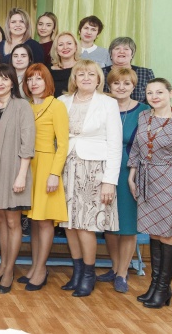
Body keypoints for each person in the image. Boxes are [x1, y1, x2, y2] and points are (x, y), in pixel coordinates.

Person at [128, 78, 172, 309]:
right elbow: (137, 148)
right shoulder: (144, 116)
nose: (154, 97)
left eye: (159, 92)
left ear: (170, 93)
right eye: (150, 93)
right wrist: (132, 175)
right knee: (154, 234)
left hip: (170, 183)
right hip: (147, 182)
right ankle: (157, 286)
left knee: (167, 234)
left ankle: (163, 288)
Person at [58, 59, 122, 297]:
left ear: (98, 79)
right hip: (67, 167)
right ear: (74, 79)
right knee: (69, 224)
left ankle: (88, 274)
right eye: (81, 74)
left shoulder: (108, 103)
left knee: (86, 225)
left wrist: (109, 181)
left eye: (91, 74)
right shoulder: (62, 101)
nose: (86, 78)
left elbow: (115, 144)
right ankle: (77, 273)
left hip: (94, 170)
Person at [0, 64, 35, 294]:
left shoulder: (22, 105)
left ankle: (10, 270)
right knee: (1, 220)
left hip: (14, 170)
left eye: (4, 79)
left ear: (13, 82)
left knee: (13, 222)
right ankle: (3, 265)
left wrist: (21, 175)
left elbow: (28, 143)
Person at [97, 67, 150, 293]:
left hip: (130, 171)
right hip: (102, 169)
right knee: (108, 223)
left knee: (128, 225)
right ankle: (114, 266)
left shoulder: (144, 111)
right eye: (116, 83)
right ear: (109, 85)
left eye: (126, 83)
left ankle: (122, 272)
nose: (121, 87)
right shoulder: (102, 106)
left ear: (133, 86)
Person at [20, 64, 69, 291]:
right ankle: (34, 266)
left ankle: (41, 269)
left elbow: (63, 144)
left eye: (39, 79)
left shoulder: (56, 105)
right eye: (30, 79)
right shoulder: (27, 106)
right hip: (29, 165)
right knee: (33, 219)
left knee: (45, 220)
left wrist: (54, 174)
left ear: (47, 81)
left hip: (47, 166)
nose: (34, 83)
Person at [102, 37, 155, 103]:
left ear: (132, 54)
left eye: (126, 49)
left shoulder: (146, 73)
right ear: (111, 54)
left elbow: (153, 98)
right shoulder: (100, 73)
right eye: (117, 48)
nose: (121, 51)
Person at [49, 32, 81, 98]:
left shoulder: (84, 67)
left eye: (69, 43)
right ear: (56, 49)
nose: (65, 47)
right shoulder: (48, 70)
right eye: (61, 45)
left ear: (76, 46)